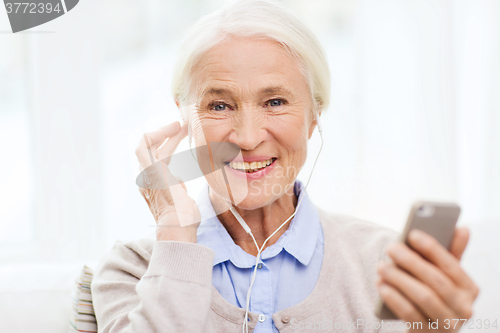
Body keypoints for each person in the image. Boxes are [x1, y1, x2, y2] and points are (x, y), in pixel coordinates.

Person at [91, 0, 479, 332]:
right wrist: (175, 233)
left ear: (314, 115)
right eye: (219, 105)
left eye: (275, 101)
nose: (246, 137)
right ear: (184, 117)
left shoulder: (383, 265)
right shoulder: (133, 272)